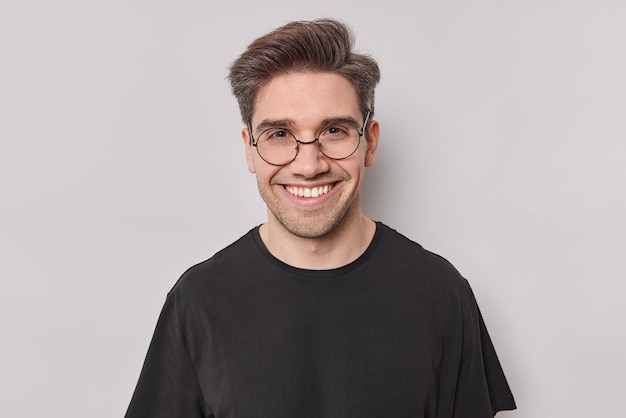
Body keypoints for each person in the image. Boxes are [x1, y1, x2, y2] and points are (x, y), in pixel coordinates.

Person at [125, 18, 516, 418]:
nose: (309, 165)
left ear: (370, 142)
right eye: (279, 134)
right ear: (249, 149)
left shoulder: (441, 294)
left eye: (333, 130)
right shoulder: (199, 301)